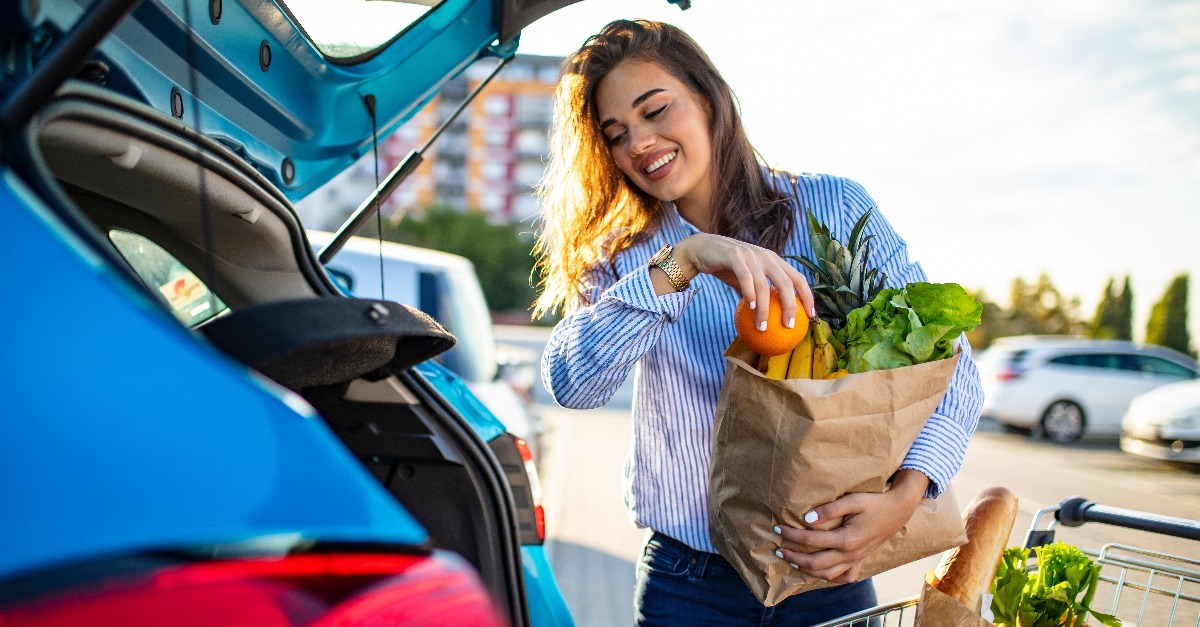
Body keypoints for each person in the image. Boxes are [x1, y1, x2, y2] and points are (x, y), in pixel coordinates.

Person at [531, 19, 983, 626]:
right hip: (689, 585)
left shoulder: (833, 210)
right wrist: (684, 261)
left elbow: (955, 371)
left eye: (656, 110)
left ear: (709, 99)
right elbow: (573, 382)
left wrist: (904, 499)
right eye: (617, 134)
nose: (639, 142)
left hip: (828, 573)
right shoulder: (624, 256)